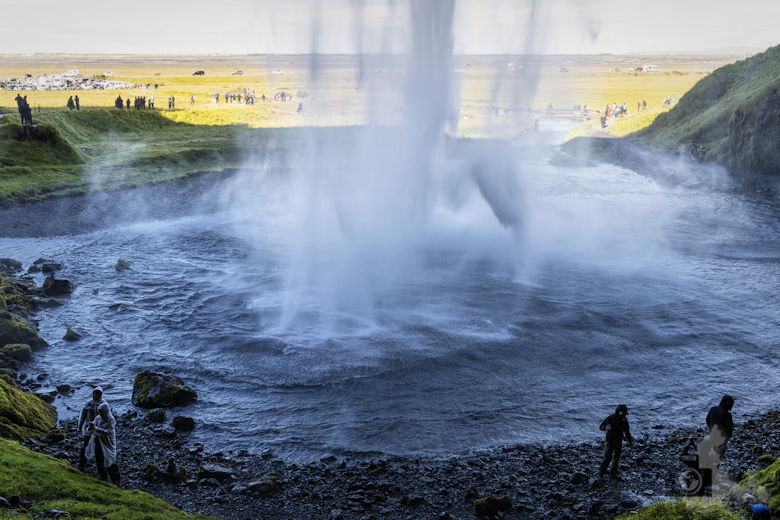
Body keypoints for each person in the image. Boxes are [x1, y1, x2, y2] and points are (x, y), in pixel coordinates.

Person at [85, 402, 120, 484]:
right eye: (99, 412)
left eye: (102, 412)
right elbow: (92, 427)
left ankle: (115, 480)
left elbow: (108, 432)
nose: (100, 414)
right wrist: (90, 427)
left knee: (111, 461)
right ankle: (103, 478)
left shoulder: (111, 420)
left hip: (108, 443)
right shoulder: (98, 418)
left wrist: (96, 429)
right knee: (99, 460)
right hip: (98, 442)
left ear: (106, 411)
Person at [78, 387, 109, 471]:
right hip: (89, 429)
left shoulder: (104, 404)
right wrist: (80, 427)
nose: (95, 395)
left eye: (98, 394)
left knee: (99, 449)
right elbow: (83, 416)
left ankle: (100, 468)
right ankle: (81, 465)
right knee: (86, 446)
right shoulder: (88, 403)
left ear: (101, 395)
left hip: (99, 429)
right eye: (94, 393)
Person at [599, 404, 633, 478]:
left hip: (618, 440)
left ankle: (613, 472)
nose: (623, 414)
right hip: (609, 440)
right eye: (622, 412)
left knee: (616, 457)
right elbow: (601, 427)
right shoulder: (611, 418)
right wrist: (605, 427)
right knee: (608, 457)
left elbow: (627, 431)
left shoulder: (624, 420)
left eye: (624, 413)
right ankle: (602, 471)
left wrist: (630, 441)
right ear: (618, 411)